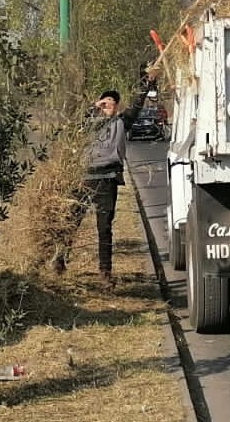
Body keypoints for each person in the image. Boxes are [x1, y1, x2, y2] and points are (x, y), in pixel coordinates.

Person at [52, 68, 158, 284]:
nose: (108, 105)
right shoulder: (88, 124)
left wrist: (148, 82)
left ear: (117, 106)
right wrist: (93, 107)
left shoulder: (121, 122)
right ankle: (59, 260)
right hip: (83, 179)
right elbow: (72, 128)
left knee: (105, 227)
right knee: (71, 221)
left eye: (112, 102)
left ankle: (105, 272)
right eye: (105, 102)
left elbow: (137, 105)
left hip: (107, 179)